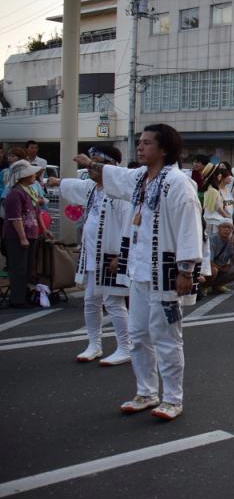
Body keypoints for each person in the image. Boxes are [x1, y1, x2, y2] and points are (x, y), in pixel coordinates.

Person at [83, 124, 203, 420]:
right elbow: (112, 176)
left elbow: (190, 226)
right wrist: (91, 164)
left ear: (164, 149)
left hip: (164, 271)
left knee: (166, 337)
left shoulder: (177, 183)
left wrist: (186, 269)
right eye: (139, 142)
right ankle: (146, 391)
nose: (140, 147)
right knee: (137, 334)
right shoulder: (139, 178)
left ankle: (173, 398)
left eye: (147, 143)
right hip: (139, 270)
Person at [47, 146, 133, 364]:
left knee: (113, 301)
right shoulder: (93, 188)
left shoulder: (121, 193)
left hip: (111, 254)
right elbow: (71, 184)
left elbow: (129, 226)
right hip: (92, 255)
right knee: (91, 300)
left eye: (96, 163)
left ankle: (126, 346)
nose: (91, 168)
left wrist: (122, 255)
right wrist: (53, 181)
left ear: (111, 166)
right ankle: (94, 344)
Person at [3, 160, 49, 308]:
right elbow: (15, 218)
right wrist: (22, 238)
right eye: (31, 173)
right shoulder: (15, 193)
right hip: (17, 236)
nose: (34, 175)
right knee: (18, 269)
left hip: (32, 234)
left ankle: (26, 295)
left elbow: (37, 213)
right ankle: (17, 300)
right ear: (23, 176)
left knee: (29, 268)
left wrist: (44, 229)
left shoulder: (30, 191)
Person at [207, 220, 234, 294]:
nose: (227, 229)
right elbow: (210, 262)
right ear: (219, 228)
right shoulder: (212, 239)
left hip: (220, 268)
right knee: (214, 270)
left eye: (229, 228)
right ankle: (205, 286)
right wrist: (222, 269)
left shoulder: (231, 241)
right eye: (224, 227)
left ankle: (218, 285)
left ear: (232, 230)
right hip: (209, 268)